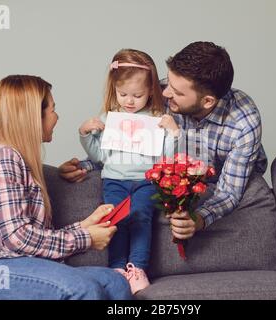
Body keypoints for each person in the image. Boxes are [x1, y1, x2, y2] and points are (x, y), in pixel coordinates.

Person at [59, 41, 267, 255]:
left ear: (207, 101)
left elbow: (230, 191)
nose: (165, 93)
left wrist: (199, 219)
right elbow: (130, 141)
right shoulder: (156, 93)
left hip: (222, 178)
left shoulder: (243, 122)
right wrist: (85, 165)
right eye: (168, 83)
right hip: (169, 172)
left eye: (176, 91)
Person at [0, 75, 132, 300]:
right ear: (33, 116)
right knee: (82, 289)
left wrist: (84, 226)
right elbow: (18, 238)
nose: (57, 116)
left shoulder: (22, 162)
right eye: (53, 109)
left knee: (116, 282)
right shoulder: (1, 156)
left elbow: (33, 238)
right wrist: (87, 238)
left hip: (21, 261)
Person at [77, 49, 178, 294]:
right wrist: (85, 133)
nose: (129, 101)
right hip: (114, 180)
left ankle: (137, 268)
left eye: (137, 95)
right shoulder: (108, 118)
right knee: (116, 221)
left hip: (146, 181)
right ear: (114, 90)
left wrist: (173, 133)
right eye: (122, 94)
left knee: (142, 217)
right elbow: (99, 156)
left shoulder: (156, 118)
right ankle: (117, 269)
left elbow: (166, 158)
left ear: (151, 91)